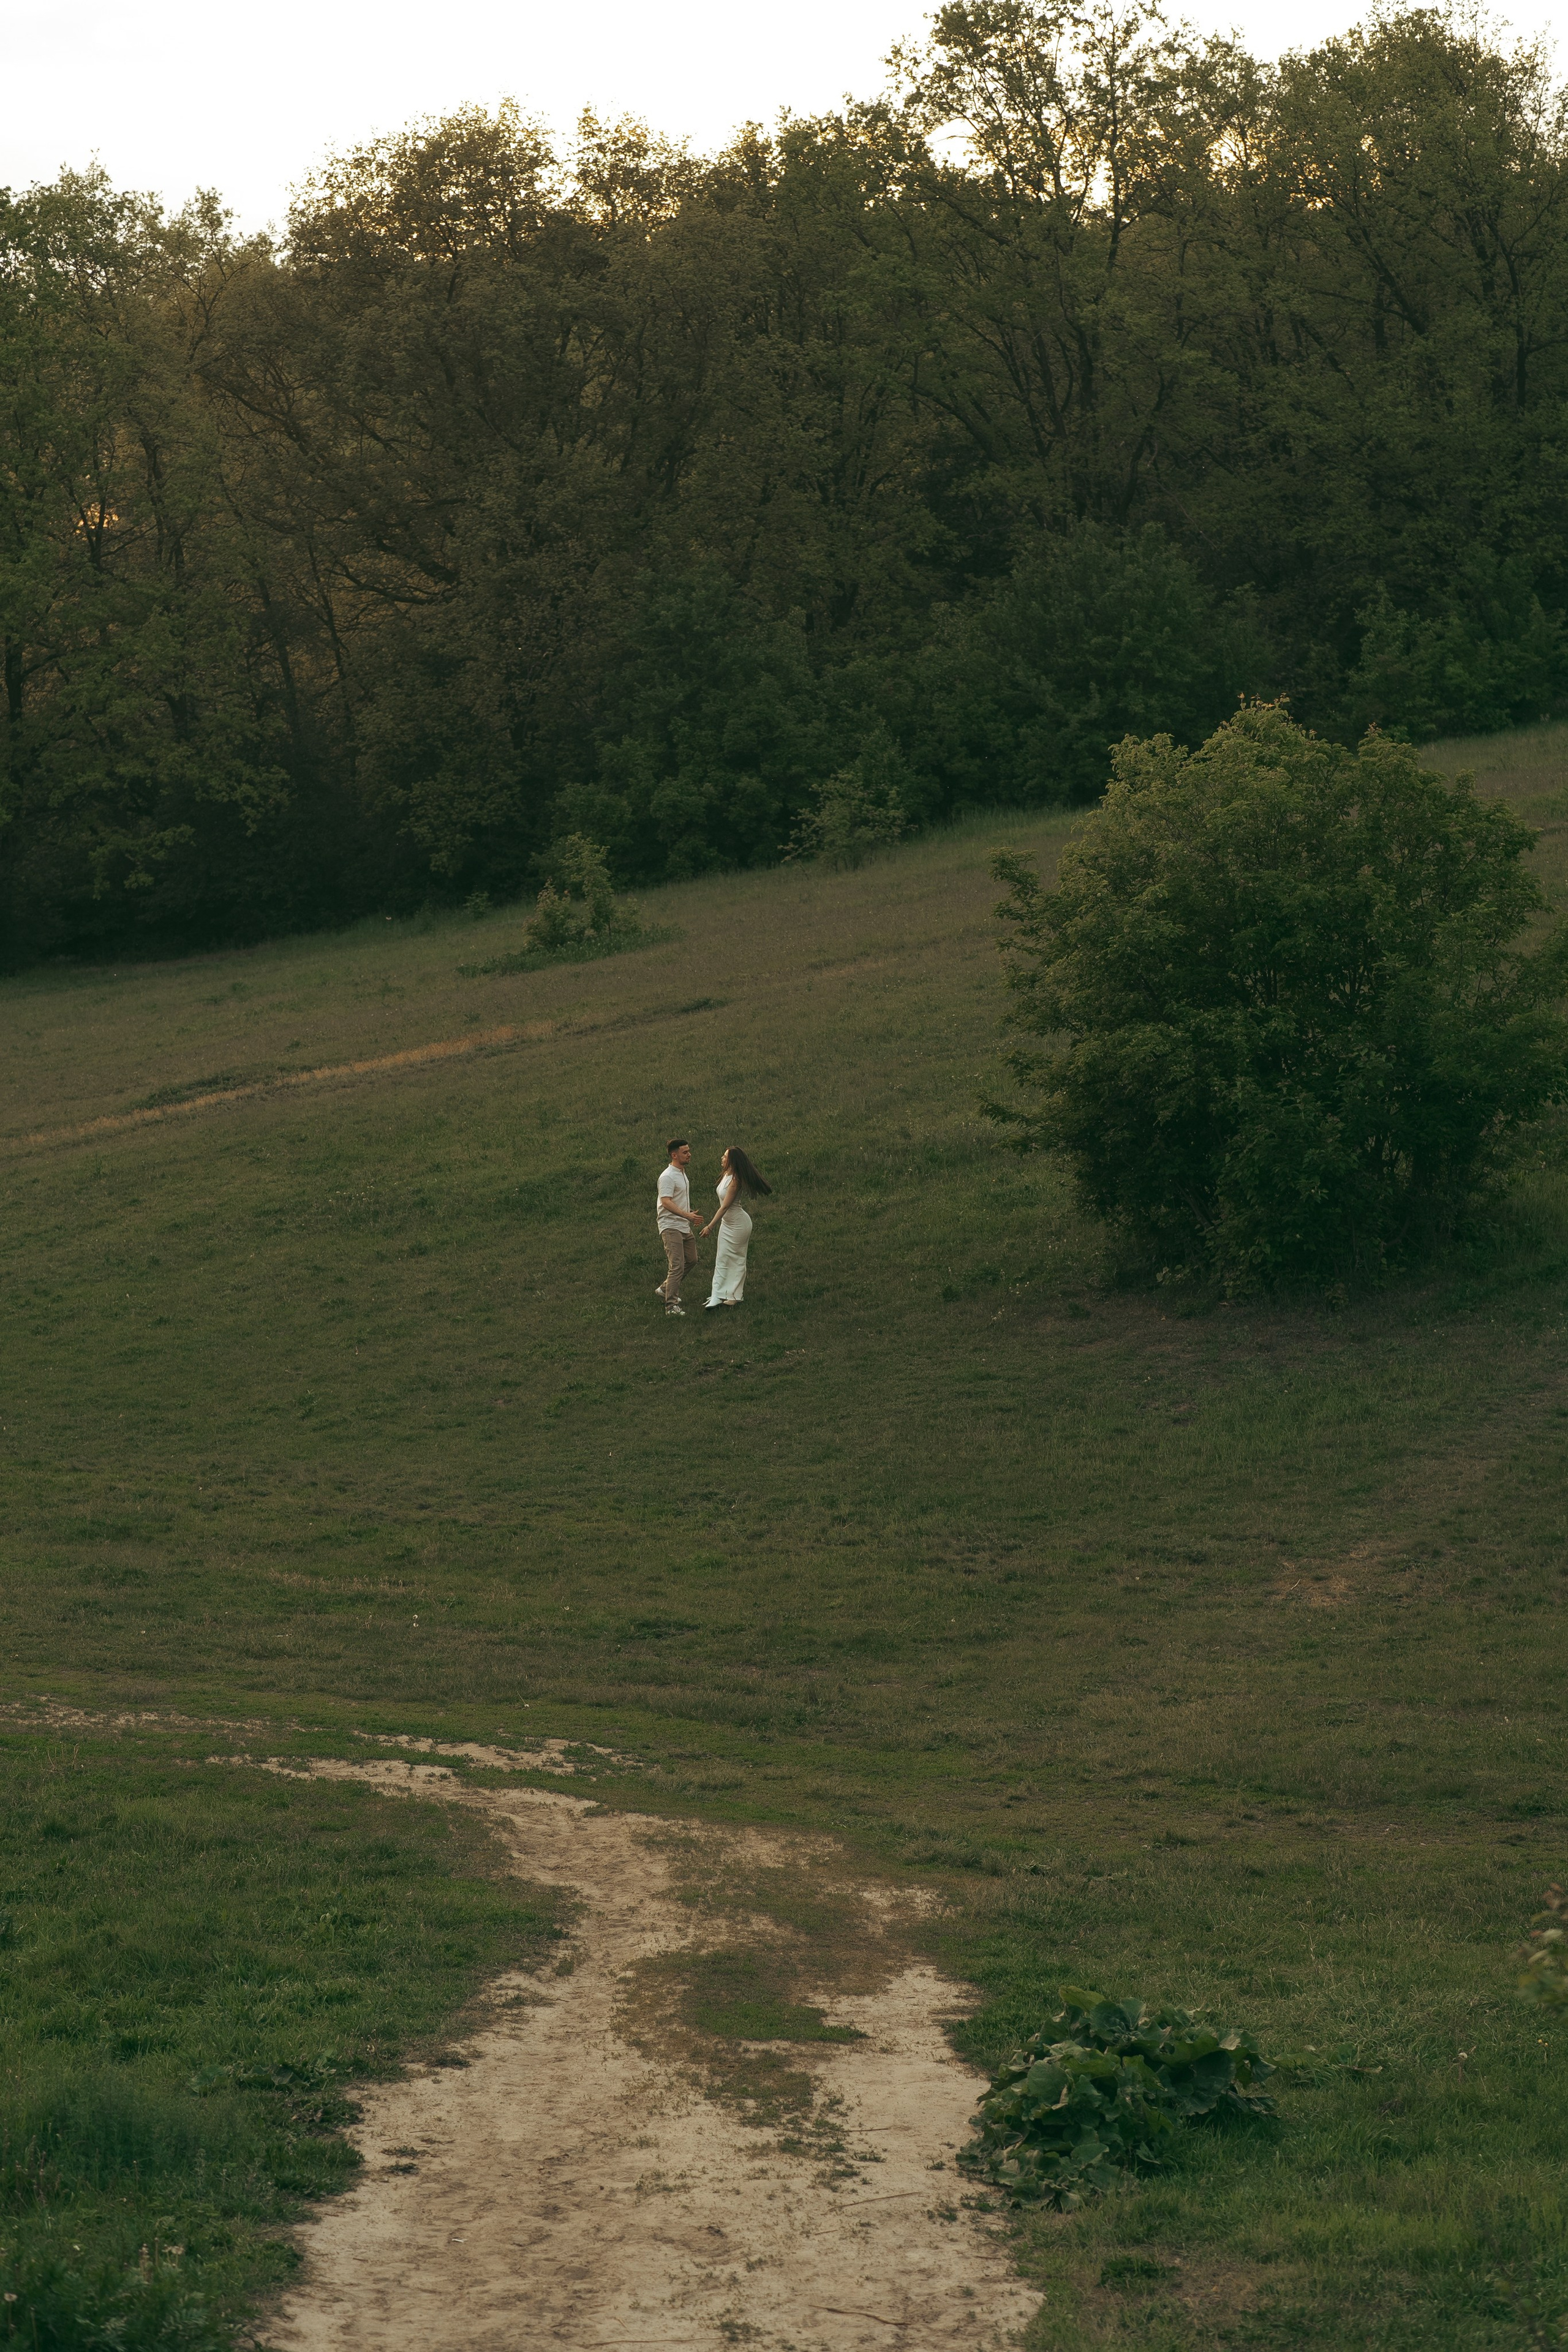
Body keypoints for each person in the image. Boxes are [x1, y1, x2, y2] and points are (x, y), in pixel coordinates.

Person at [700, 1147, 772, 1308]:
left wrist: (710, 1226)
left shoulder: (735, 1181)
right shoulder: (726, 1174)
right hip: (727, 1224)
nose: (722, 1158)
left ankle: (734, 1295)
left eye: (725, 1156)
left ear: (732, 1161)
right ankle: (717, 1295)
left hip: (739, 1225)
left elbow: (725, 1207)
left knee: (737, 1259)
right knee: (722, 1259)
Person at [654, 1138, 704, 1316]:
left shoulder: (681, 1173)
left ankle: (665, 1288)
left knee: (692, 1260)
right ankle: (671, 1306)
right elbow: (666, 1202)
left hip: (683, 1225)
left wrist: (688, 1213)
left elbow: (676, 1200)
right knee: (677, 1265)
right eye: (685, 1152)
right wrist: (687, 1215)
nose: (689, 1154)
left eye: (689, 1151)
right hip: (670, 1226)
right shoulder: (667, 1176)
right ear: (674, 1155)